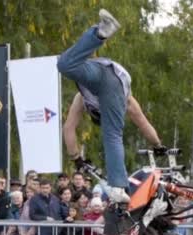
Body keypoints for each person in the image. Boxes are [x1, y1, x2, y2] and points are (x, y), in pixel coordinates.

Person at [58, 9, 164, 203]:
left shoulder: (122, 101)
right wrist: (157, 144)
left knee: (112, 135)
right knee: (64, 64)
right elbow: (144, 125)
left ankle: (118, 186)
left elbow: (69, 128)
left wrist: (75, 158)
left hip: (111, 78)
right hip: (99, 70)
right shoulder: (82, 98)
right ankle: (100, 32)